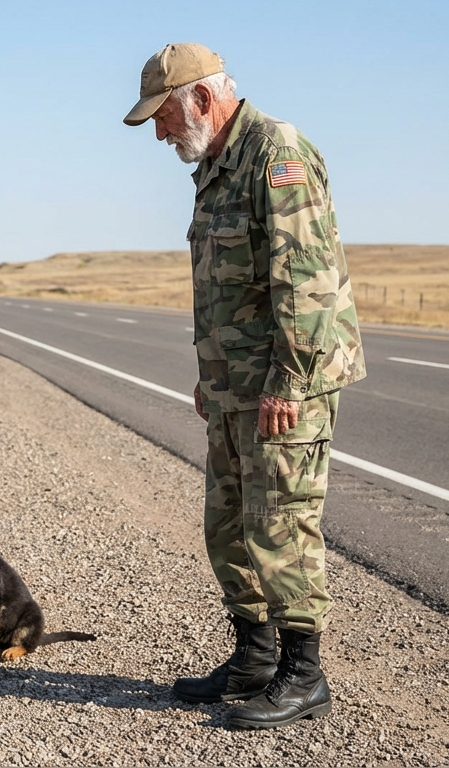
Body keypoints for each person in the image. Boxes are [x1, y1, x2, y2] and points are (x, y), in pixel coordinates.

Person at [124, 43, 366, 730]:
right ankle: (255, 658)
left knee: (280, 523)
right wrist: (213, 375)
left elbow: (304, 278)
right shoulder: (214, 166)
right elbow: (224, 286)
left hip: (286, 384)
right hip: (237, 384)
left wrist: (289, 380)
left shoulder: (275, 154)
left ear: (201, 97)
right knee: (229, 525)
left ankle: (303, 674)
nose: (162, 133)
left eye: (165, 116)